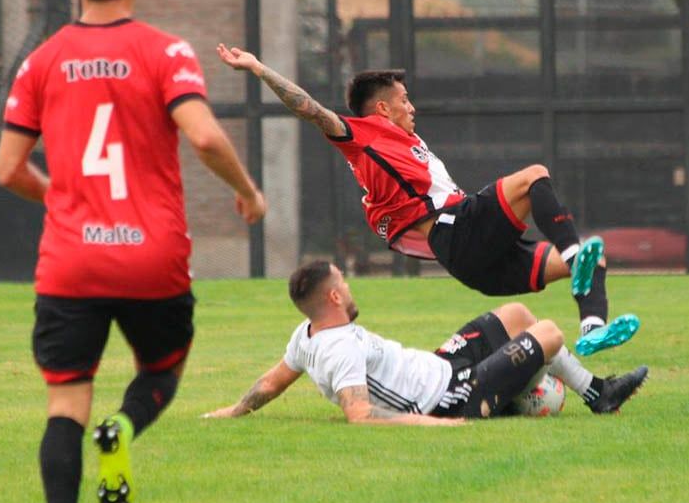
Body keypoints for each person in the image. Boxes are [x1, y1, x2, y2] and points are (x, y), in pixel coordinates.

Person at [0, 0, 266, 503]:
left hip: (71, 261)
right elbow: (202, 137)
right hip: (152, 259)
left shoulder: (43, 60)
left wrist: (62, 200)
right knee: (162, 372)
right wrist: (248, 192)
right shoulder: (166, 52)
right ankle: (121, 428)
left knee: (64, 404)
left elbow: (7, 170)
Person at [216, 46, 638, 357]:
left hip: (470, 262)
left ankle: (592, 329)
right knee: (535, 178)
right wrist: (258, 68)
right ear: (381, 109)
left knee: (591, 260)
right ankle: (575, 255)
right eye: (403, 99)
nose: (412, 106)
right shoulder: (363, 135)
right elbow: (309, 109)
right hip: (455, 231)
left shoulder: (406, 139)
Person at [203, 261, 648, 424]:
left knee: (516, 314)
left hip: (443, 365)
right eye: (345, 282)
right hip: (452, 398)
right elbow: (359, 414)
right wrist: (437, 424)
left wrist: (233, 410)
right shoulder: (340, 349)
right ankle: (598, 395)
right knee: (548, 332)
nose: (350, 285)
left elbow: (274, 380)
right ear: (335, 297)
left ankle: (563, 392)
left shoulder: (308, 335)